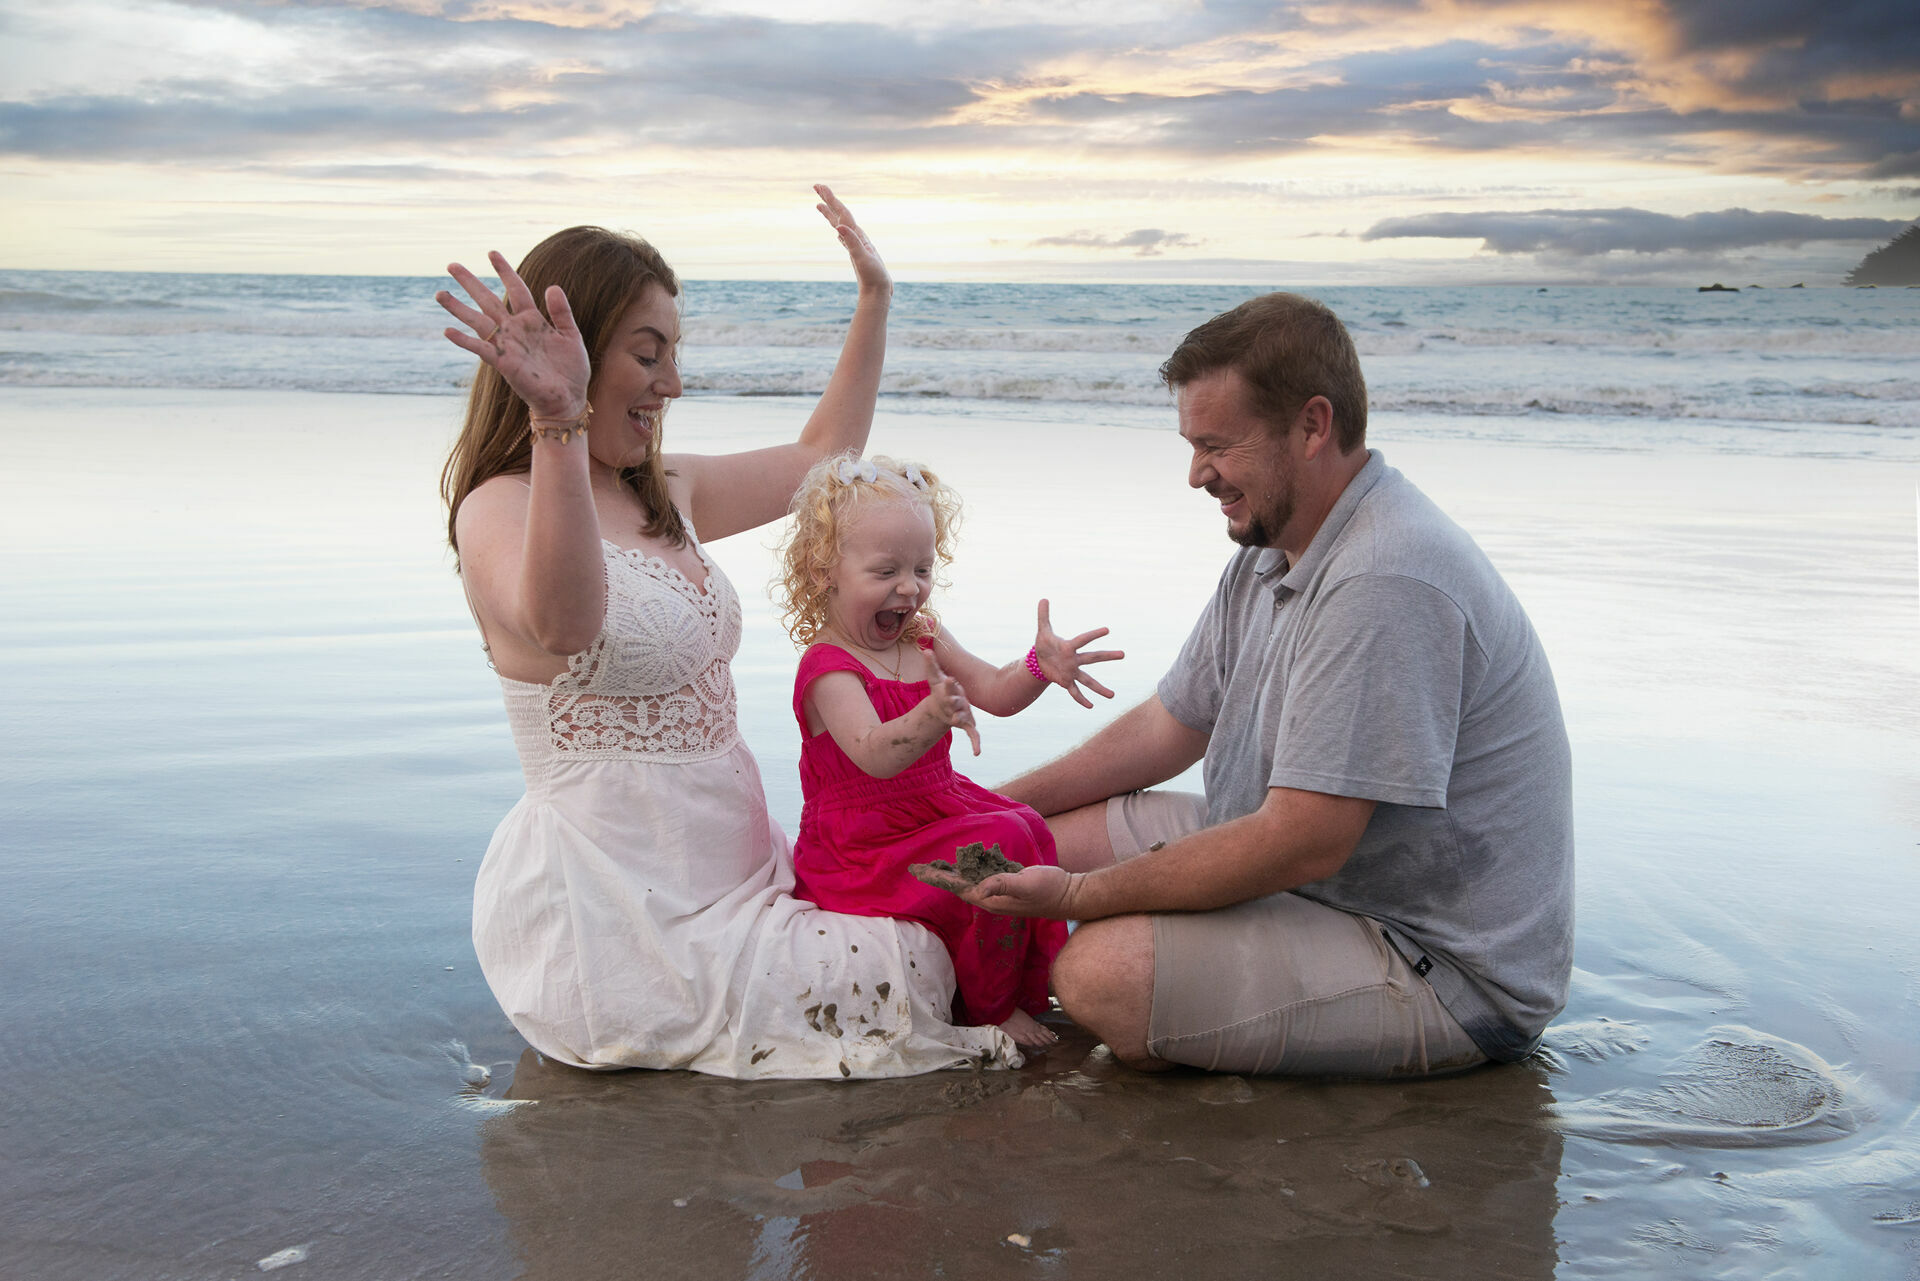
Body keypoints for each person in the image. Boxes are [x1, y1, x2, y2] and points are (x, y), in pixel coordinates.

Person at [435, 187, 1022, 1078]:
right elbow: (565, 625)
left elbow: (823, 458)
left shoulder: (660, 490)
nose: (672, 382)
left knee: (957, 921)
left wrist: (876, 301)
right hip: (623, 918)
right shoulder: (499, 508)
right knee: (916, 969)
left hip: (741, 877)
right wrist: (557, 424)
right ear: (573, 352)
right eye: (648, 353)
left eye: (675, 353)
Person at [923, 292, 1575, 1078]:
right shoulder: (1275, 546)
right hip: (1324, 882)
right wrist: (988, 807)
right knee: (1024, 841)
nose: (1198, 474)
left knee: (1100, 971)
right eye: (1192, 445)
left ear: (1312, 426)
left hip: (1439, 965)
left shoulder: (1384, 576)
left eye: (1219, 446)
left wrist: (1076, 898)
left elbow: (1303, 838)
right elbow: (1171, 724)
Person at [772, 452, 1123, 1051]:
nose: (910, 588)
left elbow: (994, 691)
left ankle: (1035, 987)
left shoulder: (923, 635)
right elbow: (874, 754)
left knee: (1028, 827)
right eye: (886, 571)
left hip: (932, 807)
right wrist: (930, 717)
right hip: (864, 844)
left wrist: (1040, 667)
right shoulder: (829, 667)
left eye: (922, 568)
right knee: (997, 848)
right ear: (822, 570)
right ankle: (987, 1008)